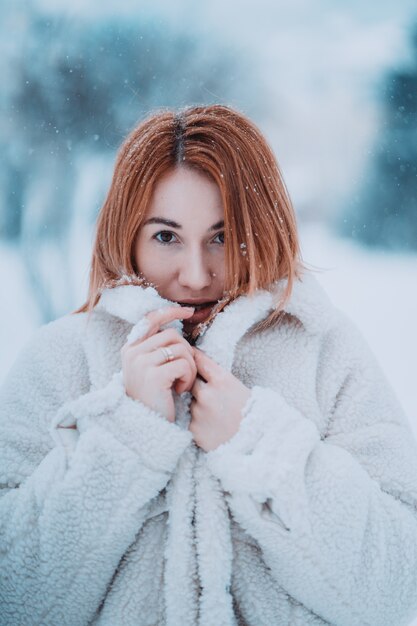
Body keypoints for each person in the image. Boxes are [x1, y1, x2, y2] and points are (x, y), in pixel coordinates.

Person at [1, 104, 417, 626]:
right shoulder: (59, 358)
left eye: (222, 237)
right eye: (166, 236)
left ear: (262, 229)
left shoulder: (326, 351)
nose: (196, 276)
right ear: (126, 234)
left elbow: (398, 586)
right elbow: (12, 596)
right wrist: (125, 434)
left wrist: (258, 443)